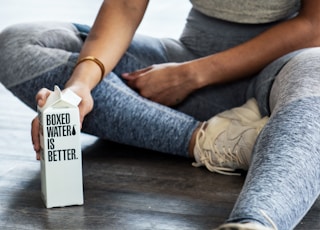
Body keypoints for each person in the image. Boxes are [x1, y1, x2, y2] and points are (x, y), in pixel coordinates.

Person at [0, 0, 320, 229]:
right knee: (20, 43)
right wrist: (79, 86)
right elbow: (126, 6)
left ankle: (255, 221)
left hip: (283, 70)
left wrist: (192, 75)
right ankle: (218, 141)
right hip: (186, 65)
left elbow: (314, 26)